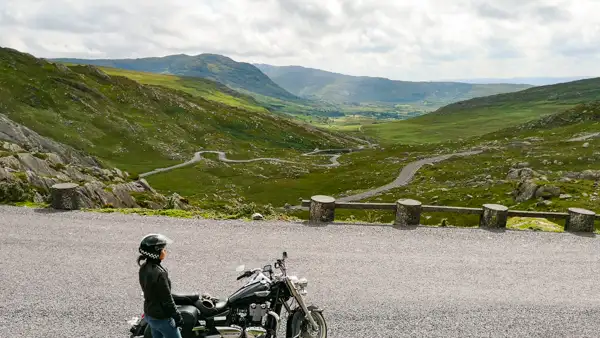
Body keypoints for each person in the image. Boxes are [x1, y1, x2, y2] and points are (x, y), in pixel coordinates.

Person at [137, 233, 184, 338]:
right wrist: (177, 317)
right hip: (162, 318)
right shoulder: (159, 274)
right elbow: (167, 299)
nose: (165, 251)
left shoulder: (144, 268)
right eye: (162, 249)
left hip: (150, 314)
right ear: (155, 252)